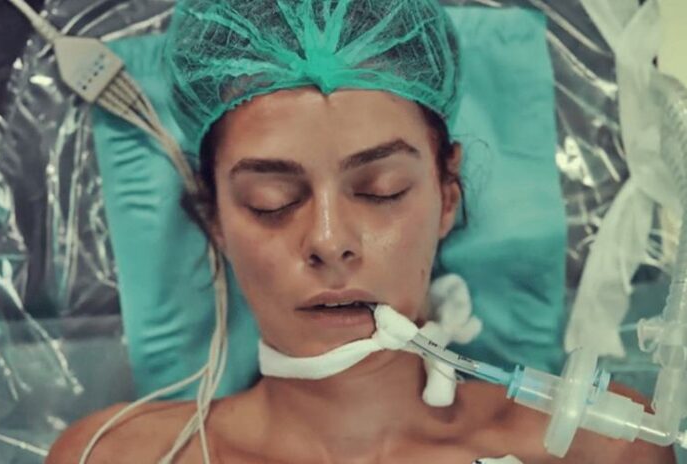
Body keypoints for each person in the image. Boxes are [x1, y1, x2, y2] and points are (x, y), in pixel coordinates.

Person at [46, 1, 676, 463]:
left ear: (447, 195)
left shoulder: (602, 445)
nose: (329, 240)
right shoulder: (112, 456)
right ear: (216, 222)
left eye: (381, 190)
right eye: (272, 201)